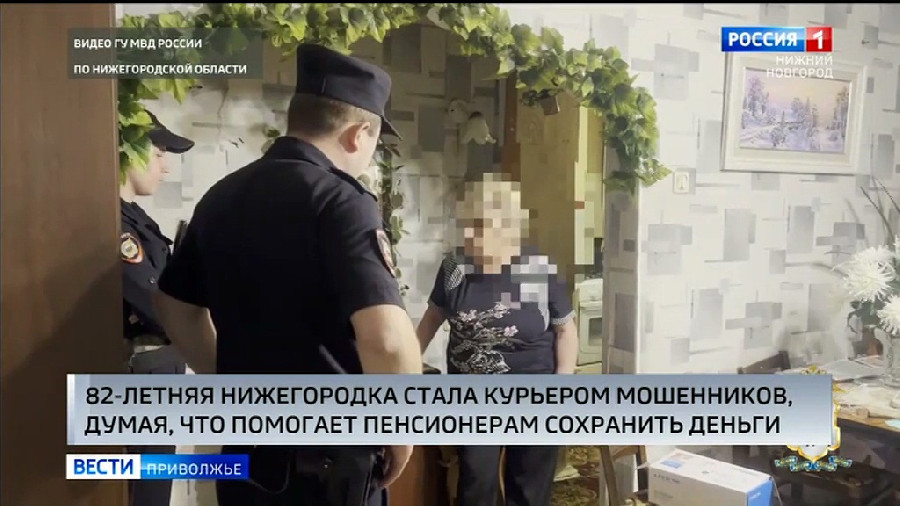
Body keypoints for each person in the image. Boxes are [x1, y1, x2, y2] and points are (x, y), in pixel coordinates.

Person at [152, 43, 422, 506]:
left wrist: (229, 379)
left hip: (247, 455)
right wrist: (400, 431)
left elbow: (173, 304)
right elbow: (387, 340)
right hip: (328, 464)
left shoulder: (223, 195)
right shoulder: (341, 201)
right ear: (359, 134)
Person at [416, 173, 579, 506]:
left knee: (530, 488)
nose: (469, 236)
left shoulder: (538, 269)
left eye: (480, 227)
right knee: (476, 483)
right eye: (467, 226)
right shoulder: (454, 267)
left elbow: (566, 329)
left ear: (508, 228)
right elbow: (431, 320)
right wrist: (402, 367)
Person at [120, 110, 195, 506]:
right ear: (128, 151)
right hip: (142, 374)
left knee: (154, 488)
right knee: (143, 493)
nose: (164, 167)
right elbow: (153, 302)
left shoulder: (137, 218)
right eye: (159, 152)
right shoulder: (112, 221)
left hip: (159, 369)